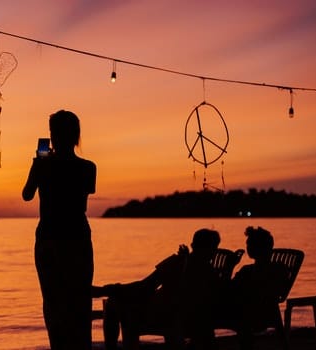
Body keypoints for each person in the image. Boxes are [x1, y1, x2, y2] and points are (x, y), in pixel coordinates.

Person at [22, 109, 97, 349]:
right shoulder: (88, 168)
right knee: (79, 301)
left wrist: (38, 167)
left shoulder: (44, 166)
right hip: (77, 237)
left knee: (54, 304)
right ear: (76, 136)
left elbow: (26, 195)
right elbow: (81, 201)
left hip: (49, 238)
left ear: (53, 137)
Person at [95, 228, 221, 350]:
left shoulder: (177, 262)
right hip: (185, 319)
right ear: (213, 249)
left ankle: (106, 291)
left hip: (160, 316)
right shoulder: (211, 273)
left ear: (193, 244)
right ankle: (108, 290)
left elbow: (146, 286)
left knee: (113, 301)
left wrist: (113, 289)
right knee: (122, 296)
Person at [227, 226, 289, 350]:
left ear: (260, 247)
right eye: (247, 244)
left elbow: (228, 289)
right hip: (263, 310)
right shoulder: (280, 268)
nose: (247, 248)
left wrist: (229, 267)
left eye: (250, 244)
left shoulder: (248, 271)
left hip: (249, 313)